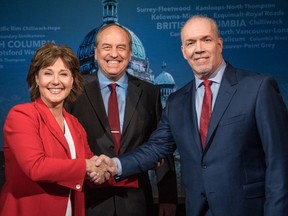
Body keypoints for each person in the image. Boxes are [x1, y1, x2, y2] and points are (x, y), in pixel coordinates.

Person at [94, 15, 288, 216]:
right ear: (184, 51)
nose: (199, 49)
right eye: (190, 43)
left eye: (206, 40)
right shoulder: (177, 101)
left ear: (219, 44)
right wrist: (116, 165)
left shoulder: (257, 88)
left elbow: (280, 161)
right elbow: (156, 148)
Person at [67, 23, 177, 216]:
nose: (114, 54)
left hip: (137, 201)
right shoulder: (73, 91)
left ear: (130, 53)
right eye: (107, 47)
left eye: (121, 47)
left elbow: (161, 147)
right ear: (95, 52)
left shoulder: (150, 93)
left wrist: (167, 196)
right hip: (88, 202)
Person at [0, 43, 109, 216]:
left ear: (72, 80)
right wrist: (86, 166)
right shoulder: (22, 115)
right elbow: (36, 167)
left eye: (63, 74)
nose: (56, 81)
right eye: (48, 73)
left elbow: (86, 169)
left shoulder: (74, 124)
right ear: (37, 79)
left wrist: (101, 170)